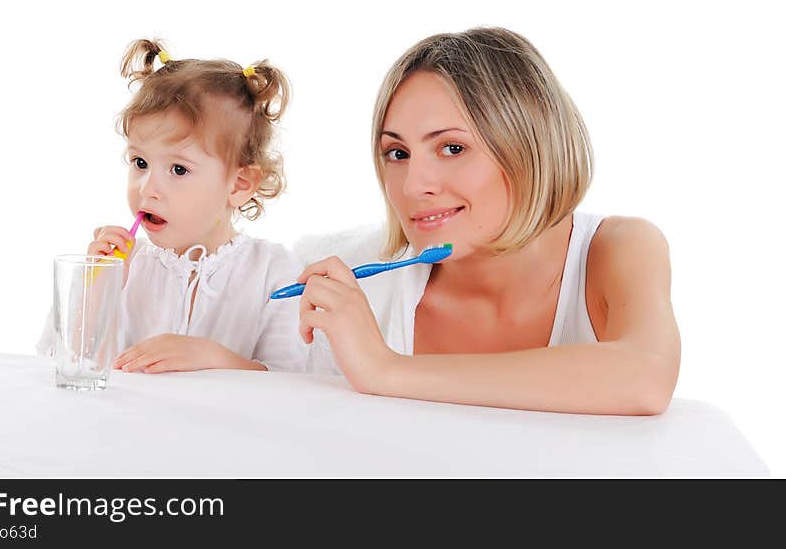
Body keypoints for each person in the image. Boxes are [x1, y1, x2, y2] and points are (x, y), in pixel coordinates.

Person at [296, 27, 680, 415]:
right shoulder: (342, 275)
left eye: (452, 148)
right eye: (397, 153)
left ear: (528, 147)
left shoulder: (618, 247)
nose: (413, 186)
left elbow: (645, 378)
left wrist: (385, 368)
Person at [38, 39, 307, 374]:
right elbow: (56, 363)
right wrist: (94, 292)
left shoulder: (273, 271)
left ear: (239, 185)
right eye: (139, 162)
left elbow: (294, 384)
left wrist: (214, 359)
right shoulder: (127, 265)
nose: (147, 188)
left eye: (178, 169)